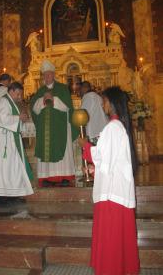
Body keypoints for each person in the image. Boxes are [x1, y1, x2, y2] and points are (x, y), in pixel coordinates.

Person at [79, 86, 140, 275]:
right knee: (116, 237)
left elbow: (102, 156)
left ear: (111, 103)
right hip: (115, 191)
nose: (103, 105)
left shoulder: (113, 128)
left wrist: (86, 147)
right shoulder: (118, 127)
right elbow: (112, 163)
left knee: (111, 237)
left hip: (111, 197)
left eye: (104, 101)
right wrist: (94, 169)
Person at [30, 60, 78, 187]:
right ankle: (46, 177)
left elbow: (68, 107)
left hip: (60, 127)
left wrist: (53, 99)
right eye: (44, 75)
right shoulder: (40, 91)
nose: (47, 77)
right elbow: (34, 108)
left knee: (62, 149)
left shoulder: (63, 89)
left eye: (49, 74)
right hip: (44, 129)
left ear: (54, 74)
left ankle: (65, 176)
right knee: (46, 150)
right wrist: (42, 100)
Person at [0, 82, 34, 206]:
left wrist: (21, 118)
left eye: (20, 94)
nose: (19, 96)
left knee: (13, 167)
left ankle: (12, 194)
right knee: (5, 168)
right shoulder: (4, 101)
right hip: (5, 138)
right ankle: (0, 198)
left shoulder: (11, 101)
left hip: (10, 137)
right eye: (18, 93)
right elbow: (1, 119)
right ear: (12, 91)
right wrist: (19, 117)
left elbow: (11, 118)